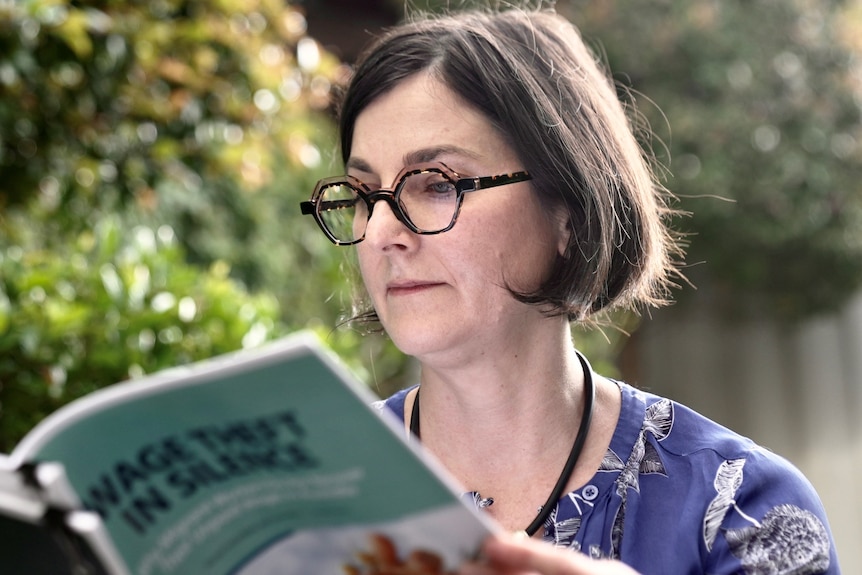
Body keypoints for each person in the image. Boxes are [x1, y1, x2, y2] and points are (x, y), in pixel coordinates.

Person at [300, 6, 840, 574]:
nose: (381, 232)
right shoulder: (299, 499)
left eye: (437, 184)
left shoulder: (742, 509)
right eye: (362, 195)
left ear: (568, 211)